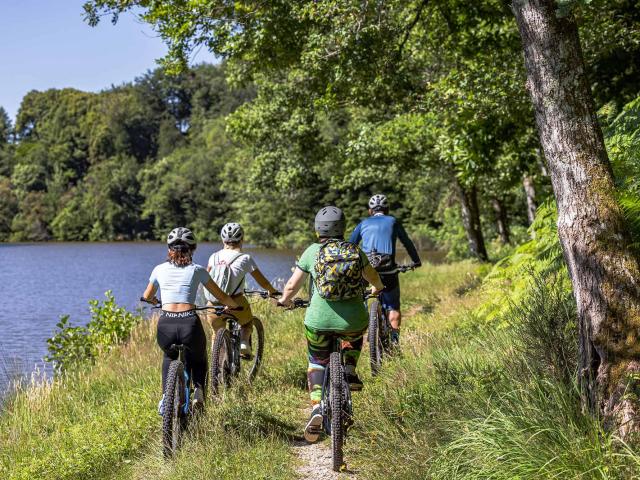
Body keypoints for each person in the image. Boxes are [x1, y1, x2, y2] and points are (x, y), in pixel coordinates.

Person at [278, 206, 384, 442]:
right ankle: (349, 368)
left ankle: (316, 406)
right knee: (354, 336)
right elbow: (374, 278)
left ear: (318, 229)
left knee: (317, 360)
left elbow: (291, 287)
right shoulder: (356, 251)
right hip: (353, 321)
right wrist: (376, 289)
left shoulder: (311, 252)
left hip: (318, 321)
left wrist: (284, 301)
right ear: (343, 227)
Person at [141, 227, 239, 414]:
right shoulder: (198, 270)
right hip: (189, 324)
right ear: (192, 249)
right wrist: (232, 305)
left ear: (169, 249)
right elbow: (221, 296)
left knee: (169, 357)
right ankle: (199, 393)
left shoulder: (159, 269)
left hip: (166, 324)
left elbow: (147, 295)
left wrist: (155, 300)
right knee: (199, 357)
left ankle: (165, 399)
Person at [349, 194, 422, 346]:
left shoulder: (363, 223)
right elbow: (407, 242)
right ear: (387, 209)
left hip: (366, 271)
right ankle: (394, 343)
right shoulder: (393, 221)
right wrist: (416, 261)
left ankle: (356, 329)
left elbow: (350, 246)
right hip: (388, 271)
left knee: (359, 298)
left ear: (370, 211)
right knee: (393, 307)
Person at [205, 222, 279, 356]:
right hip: (236, 303)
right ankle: (244, 343)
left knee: (216, 334)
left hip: (213, 305)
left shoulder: (213, 257)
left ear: (223, 240)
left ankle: (217, 366)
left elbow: (206, 279)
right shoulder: (245, 258)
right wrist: (272, 291)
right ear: (242, 239)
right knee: (247, 323)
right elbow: (262, 281)